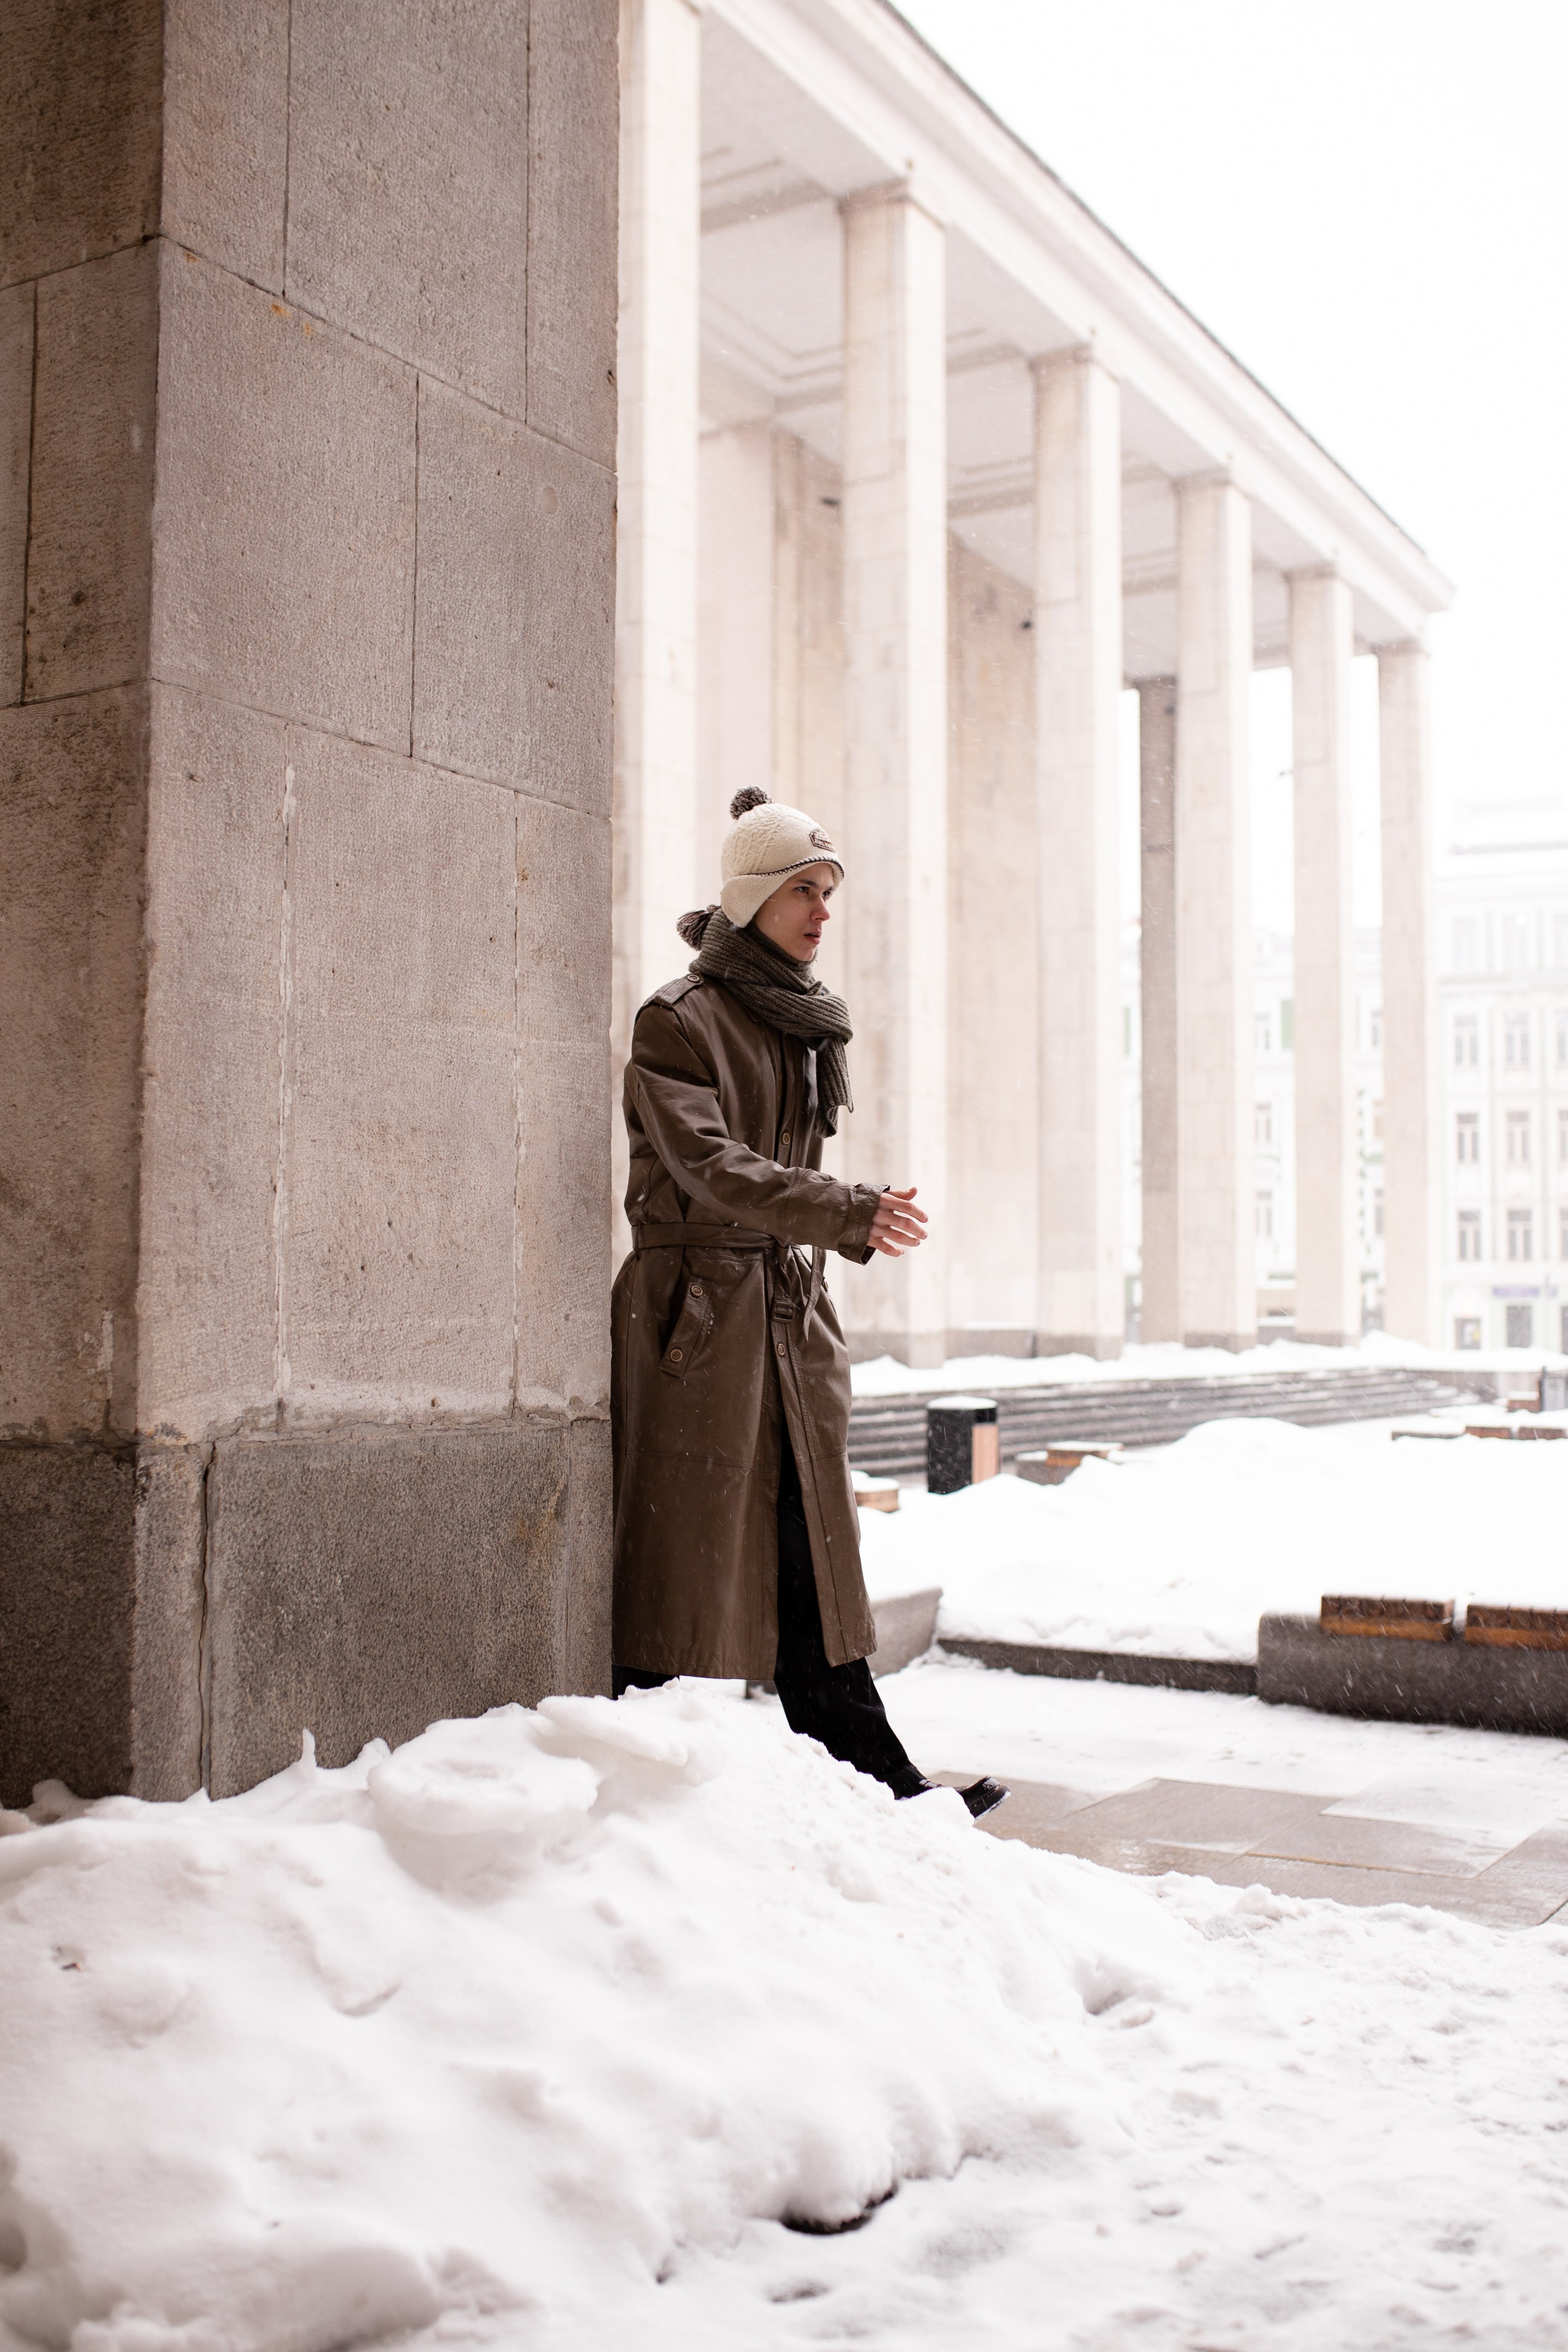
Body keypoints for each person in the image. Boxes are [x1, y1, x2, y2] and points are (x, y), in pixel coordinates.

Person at [610, 786, 1007, 1821]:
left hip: (786, 1307)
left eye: (829, 890)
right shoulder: (678, 1019)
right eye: (802, 889)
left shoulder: (800, 1025)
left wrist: (836, 1223)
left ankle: (877, 1778)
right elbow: (707, 1165)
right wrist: (847, 1209)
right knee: (680, 1549)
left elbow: (765, 1175)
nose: (822, 911)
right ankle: (625, 1769)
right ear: (750, 899)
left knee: (813, 1548)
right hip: (699, 1315)